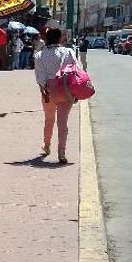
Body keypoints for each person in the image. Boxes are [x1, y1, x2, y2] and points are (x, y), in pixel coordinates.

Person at [34, 28, 77, 164]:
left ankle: (46, 145)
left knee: (49, 119)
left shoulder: (39, 55)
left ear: (46, 38)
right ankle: (61, 151)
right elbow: (75, 70)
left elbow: (39, 77)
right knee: (63, 123)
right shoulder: (68, 52)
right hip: (65, 90)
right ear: (60, 38)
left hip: (48, 92)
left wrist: (45, 90)